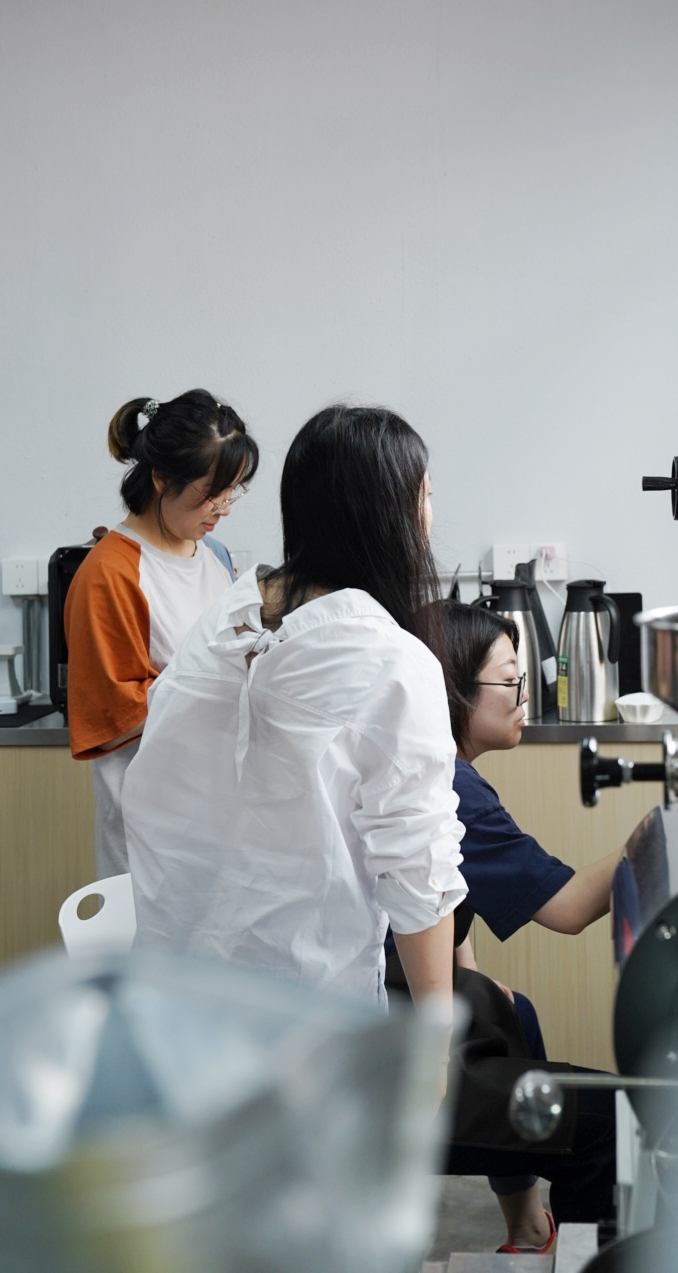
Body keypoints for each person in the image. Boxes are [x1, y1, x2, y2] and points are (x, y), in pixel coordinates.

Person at [122, 405, 466, 1051]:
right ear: (390, 513)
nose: (429, 513)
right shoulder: (391, 660)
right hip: (305, 1022)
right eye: (423, 495)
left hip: (174, 1001)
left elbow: (158, 796)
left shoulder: (226, 616)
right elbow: (418, 875)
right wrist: (437, 1048)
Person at [386, 600, 623, 1251]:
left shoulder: (424, 763)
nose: (525, 698)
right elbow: (569, 907)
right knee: (603, 1117)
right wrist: (648, 836)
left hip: (384, 1004)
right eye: (512, 681)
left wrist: (479, 986)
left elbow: (442, 898)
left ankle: (527, 1229)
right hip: (390, 1049)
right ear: (454, 691)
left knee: (516, 1010)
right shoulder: (452, 785)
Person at [64, 389, 258, 878]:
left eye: (233, 490)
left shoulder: (215, 555)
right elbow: (115, 716)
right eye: (212, 492)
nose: (224, 508)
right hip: (155, 829)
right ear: (161, 479)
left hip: (223, 812)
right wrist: (226, 679)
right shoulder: (110, 573)